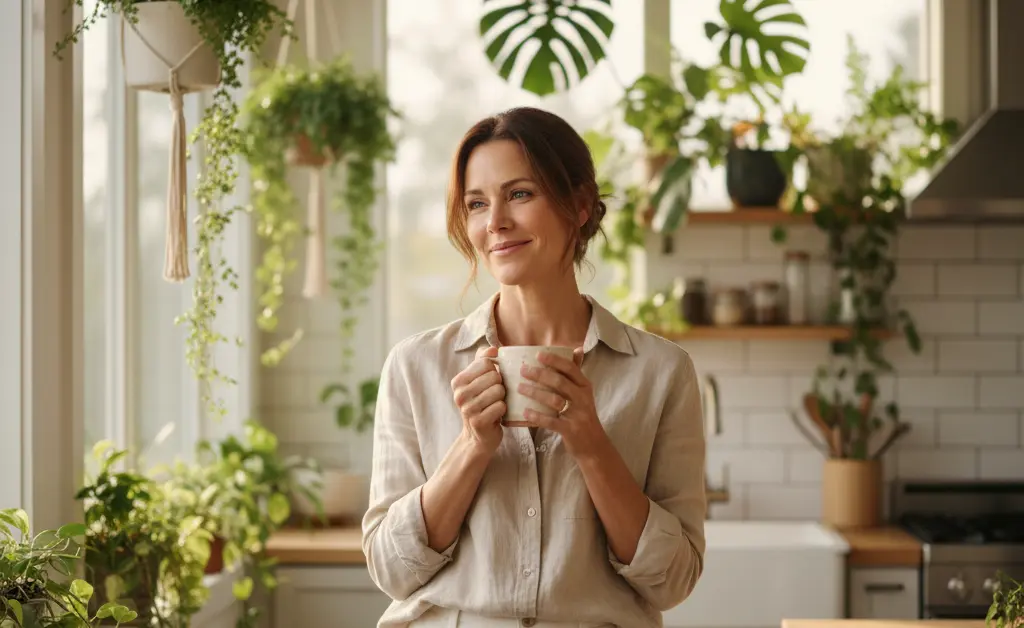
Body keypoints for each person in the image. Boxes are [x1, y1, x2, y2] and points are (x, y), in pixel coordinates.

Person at [362, 106, 707, 628]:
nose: (495, 222)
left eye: (520, 194)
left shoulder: (661, 373)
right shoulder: (416, 367)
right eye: (477, 204)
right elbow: (390, 569)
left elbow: (674, 580)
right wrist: (472, 446)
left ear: (581, 205)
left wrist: (591, 443)